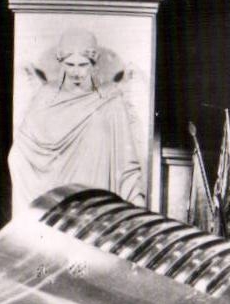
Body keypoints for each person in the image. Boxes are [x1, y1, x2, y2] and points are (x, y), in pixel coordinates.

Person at [8, 28, 146, 210]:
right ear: (61, 63)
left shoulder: (111, 102)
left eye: (82, 65)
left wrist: (136, 202)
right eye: (70, 64)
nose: (76, 72)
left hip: (95, 199)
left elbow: (126, 163)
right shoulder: (46, 96)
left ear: (93, 64)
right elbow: (23, 150)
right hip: (56, 199)